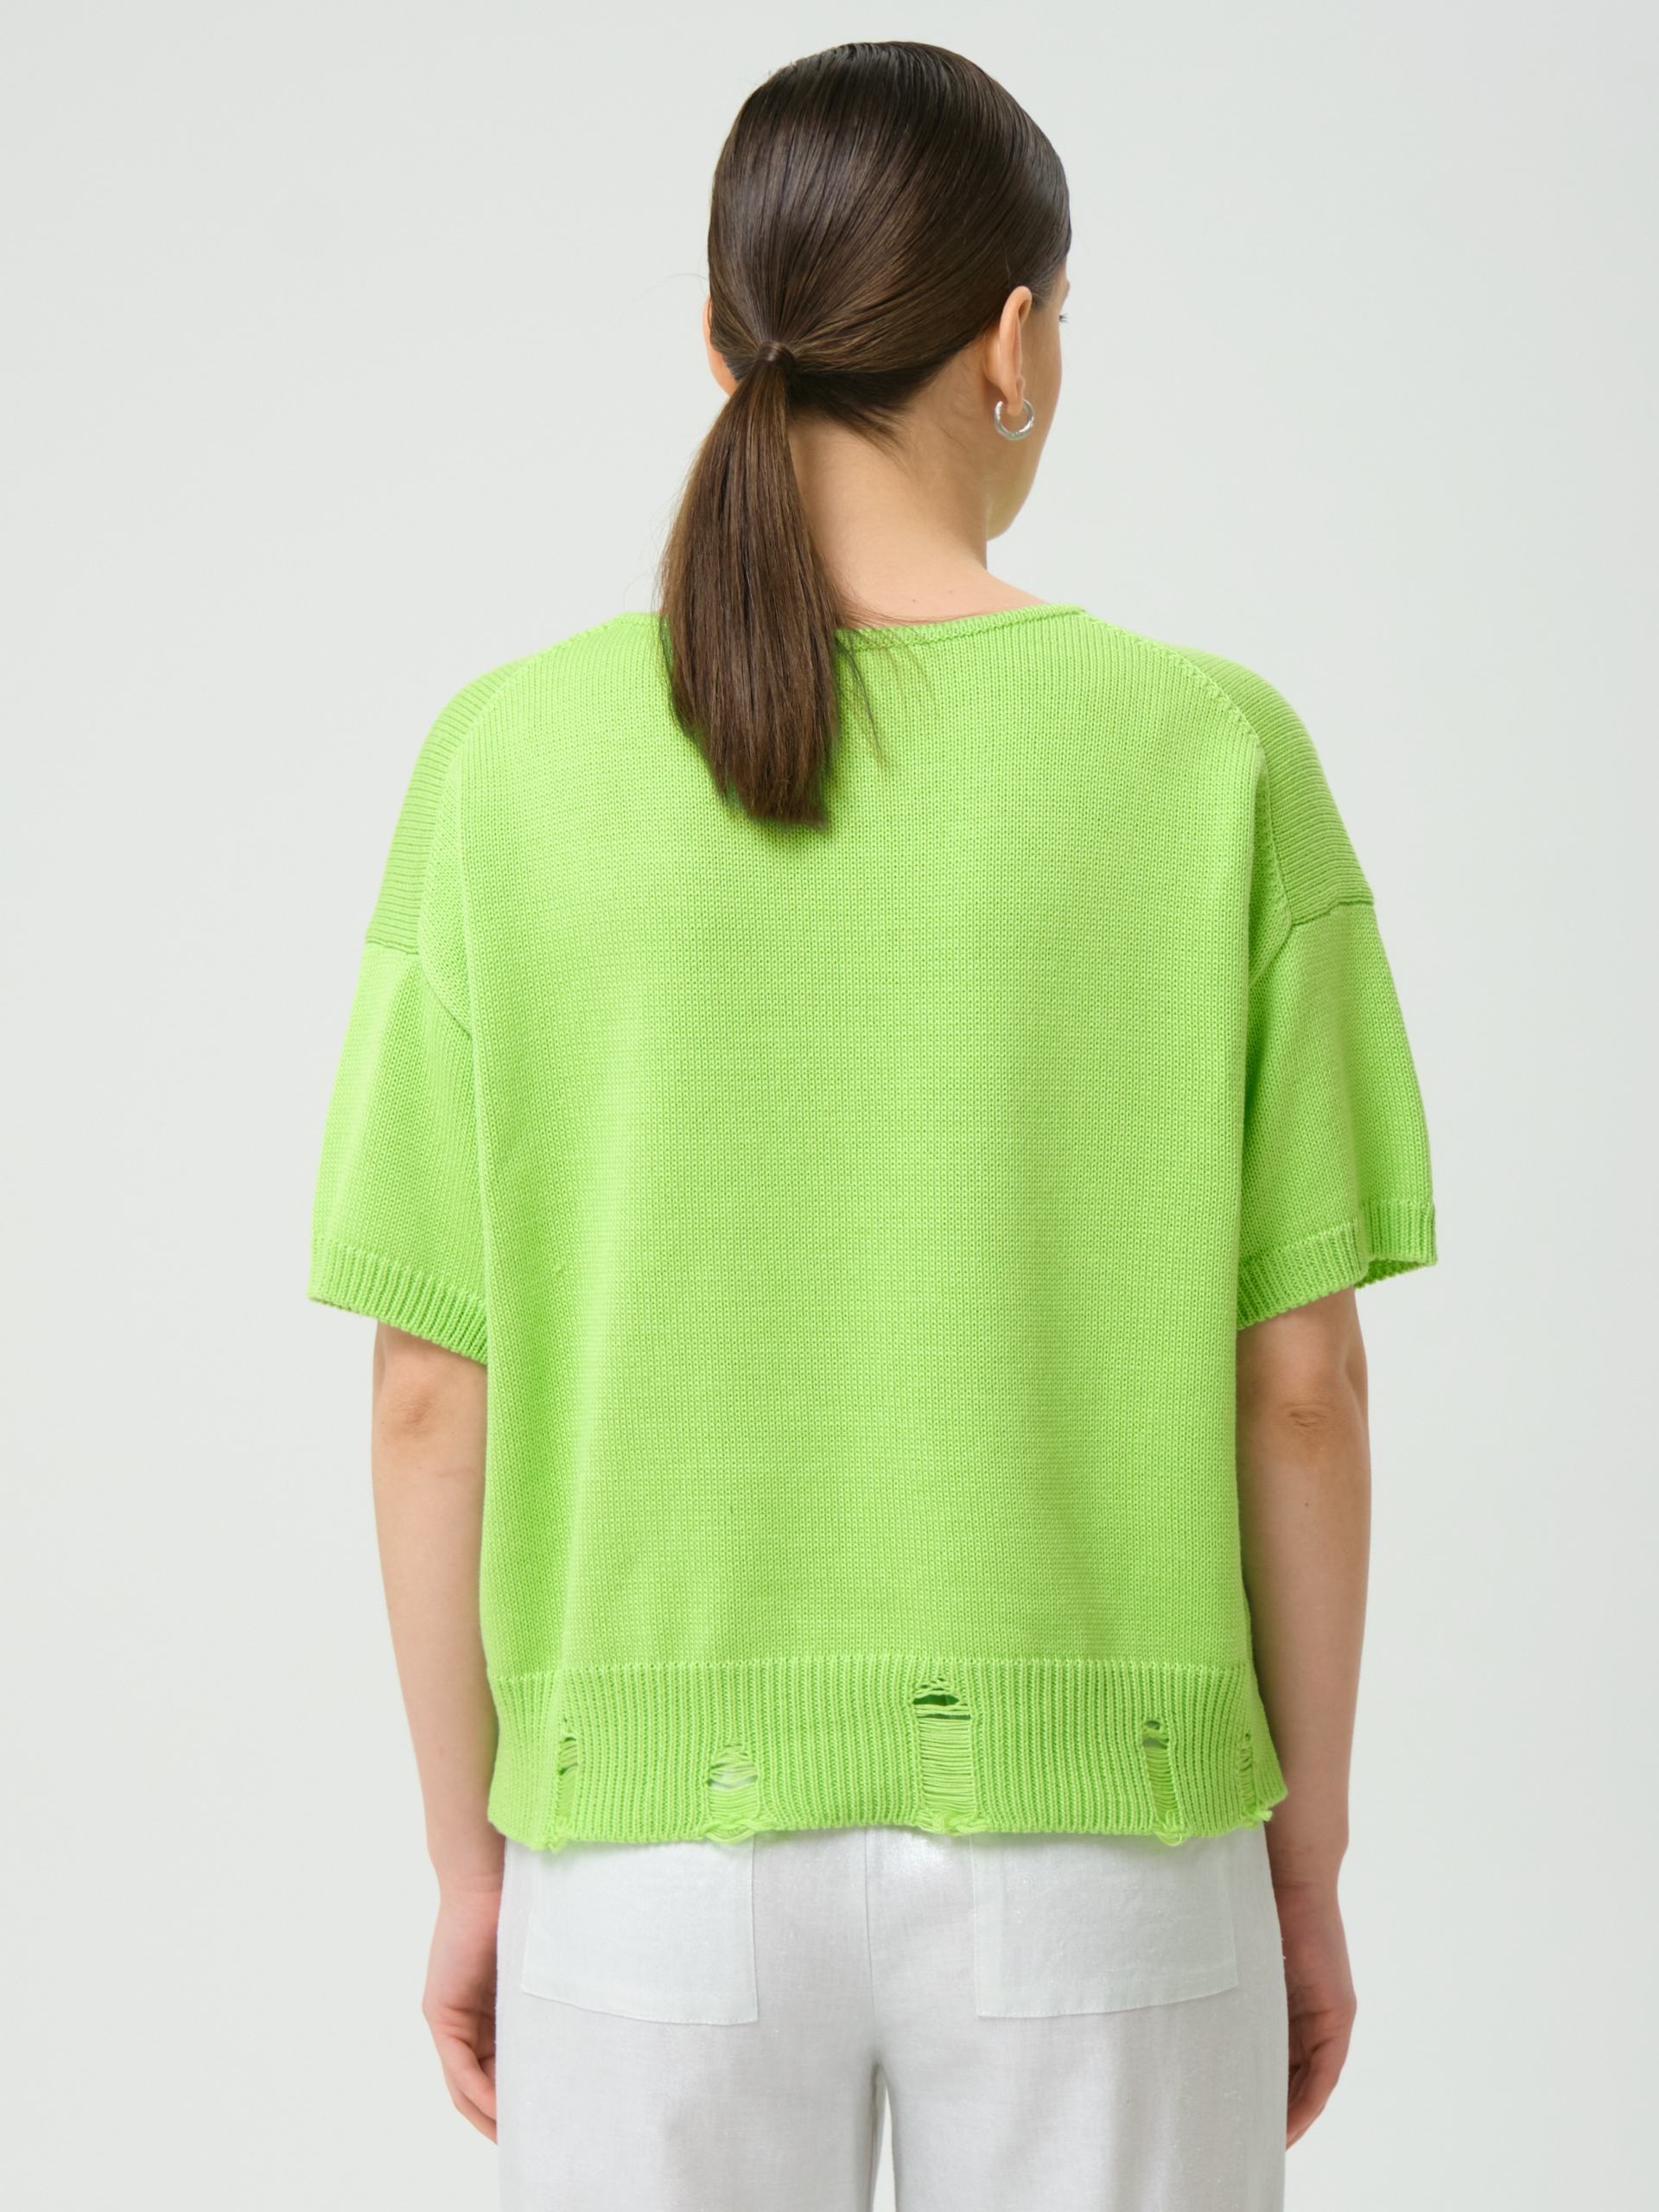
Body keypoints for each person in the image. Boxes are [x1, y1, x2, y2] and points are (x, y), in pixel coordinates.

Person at [309, 40, 1435, 2212]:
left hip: (644, 1857)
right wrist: (1303, 1857)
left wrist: (472, 1861)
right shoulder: (1209, 753)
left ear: (720, 335)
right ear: (1011, 342)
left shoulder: (504, 764)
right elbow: (1299, 1385)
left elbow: (431, 1392)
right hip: (1113, 1842)